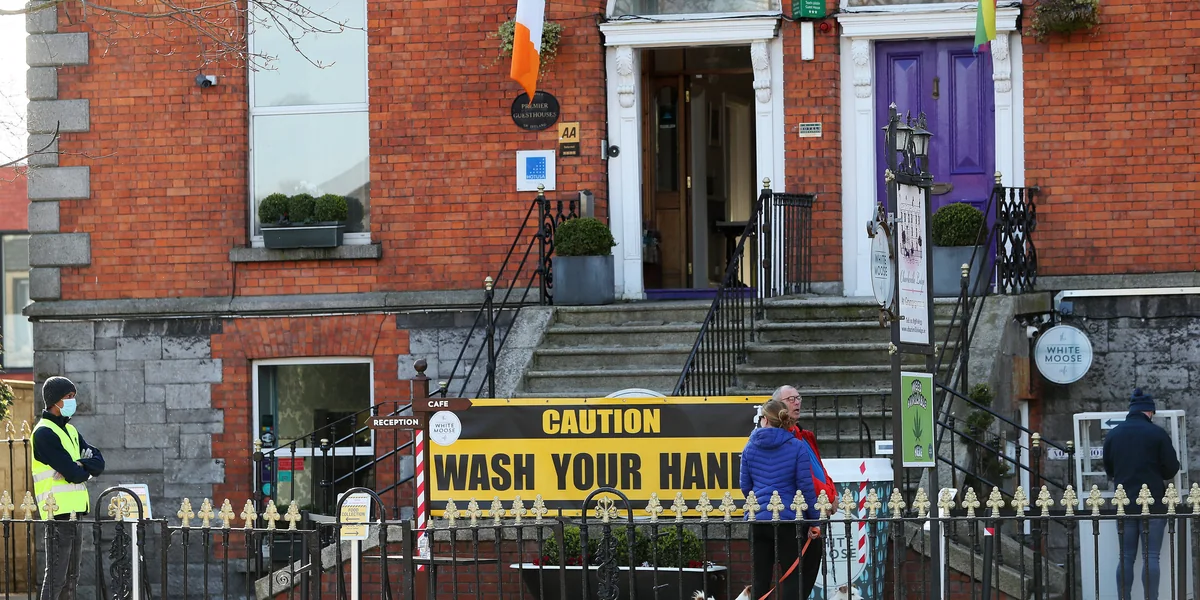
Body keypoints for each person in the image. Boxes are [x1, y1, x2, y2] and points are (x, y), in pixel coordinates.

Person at [741, 399, 826, 600]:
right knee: (792, 578)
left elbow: (745, 486)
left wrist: (761, 504)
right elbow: (805, 487)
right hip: (789, 520)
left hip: (758, 519)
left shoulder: (750, 447)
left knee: (760, 579)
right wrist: (814, 521)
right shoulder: (797, 447)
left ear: (764, 420)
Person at [31, 376, 105, 600]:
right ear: (54, 400)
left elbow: (99, 462)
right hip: (57, 512)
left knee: (72, 577)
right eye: (68, 396)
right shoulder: (44, 433)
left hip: (75, 511)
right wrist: (79, 469)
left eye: (73, 396)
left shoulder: (71, 431)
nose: (73, 401)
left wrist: (80, 464)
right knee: (56, 577)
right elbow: (73, 474)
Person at [1102, 388, 1180, 600]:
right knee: (1151, 556)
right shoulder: (1157, 434)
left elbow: (1109, 469)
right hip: (1153, 503)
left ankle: (1124, 597)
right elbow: (1171, 469)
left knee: (1125, 557)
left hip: (1124, 503)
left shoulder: (1114, 434)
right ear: (1149, 412)